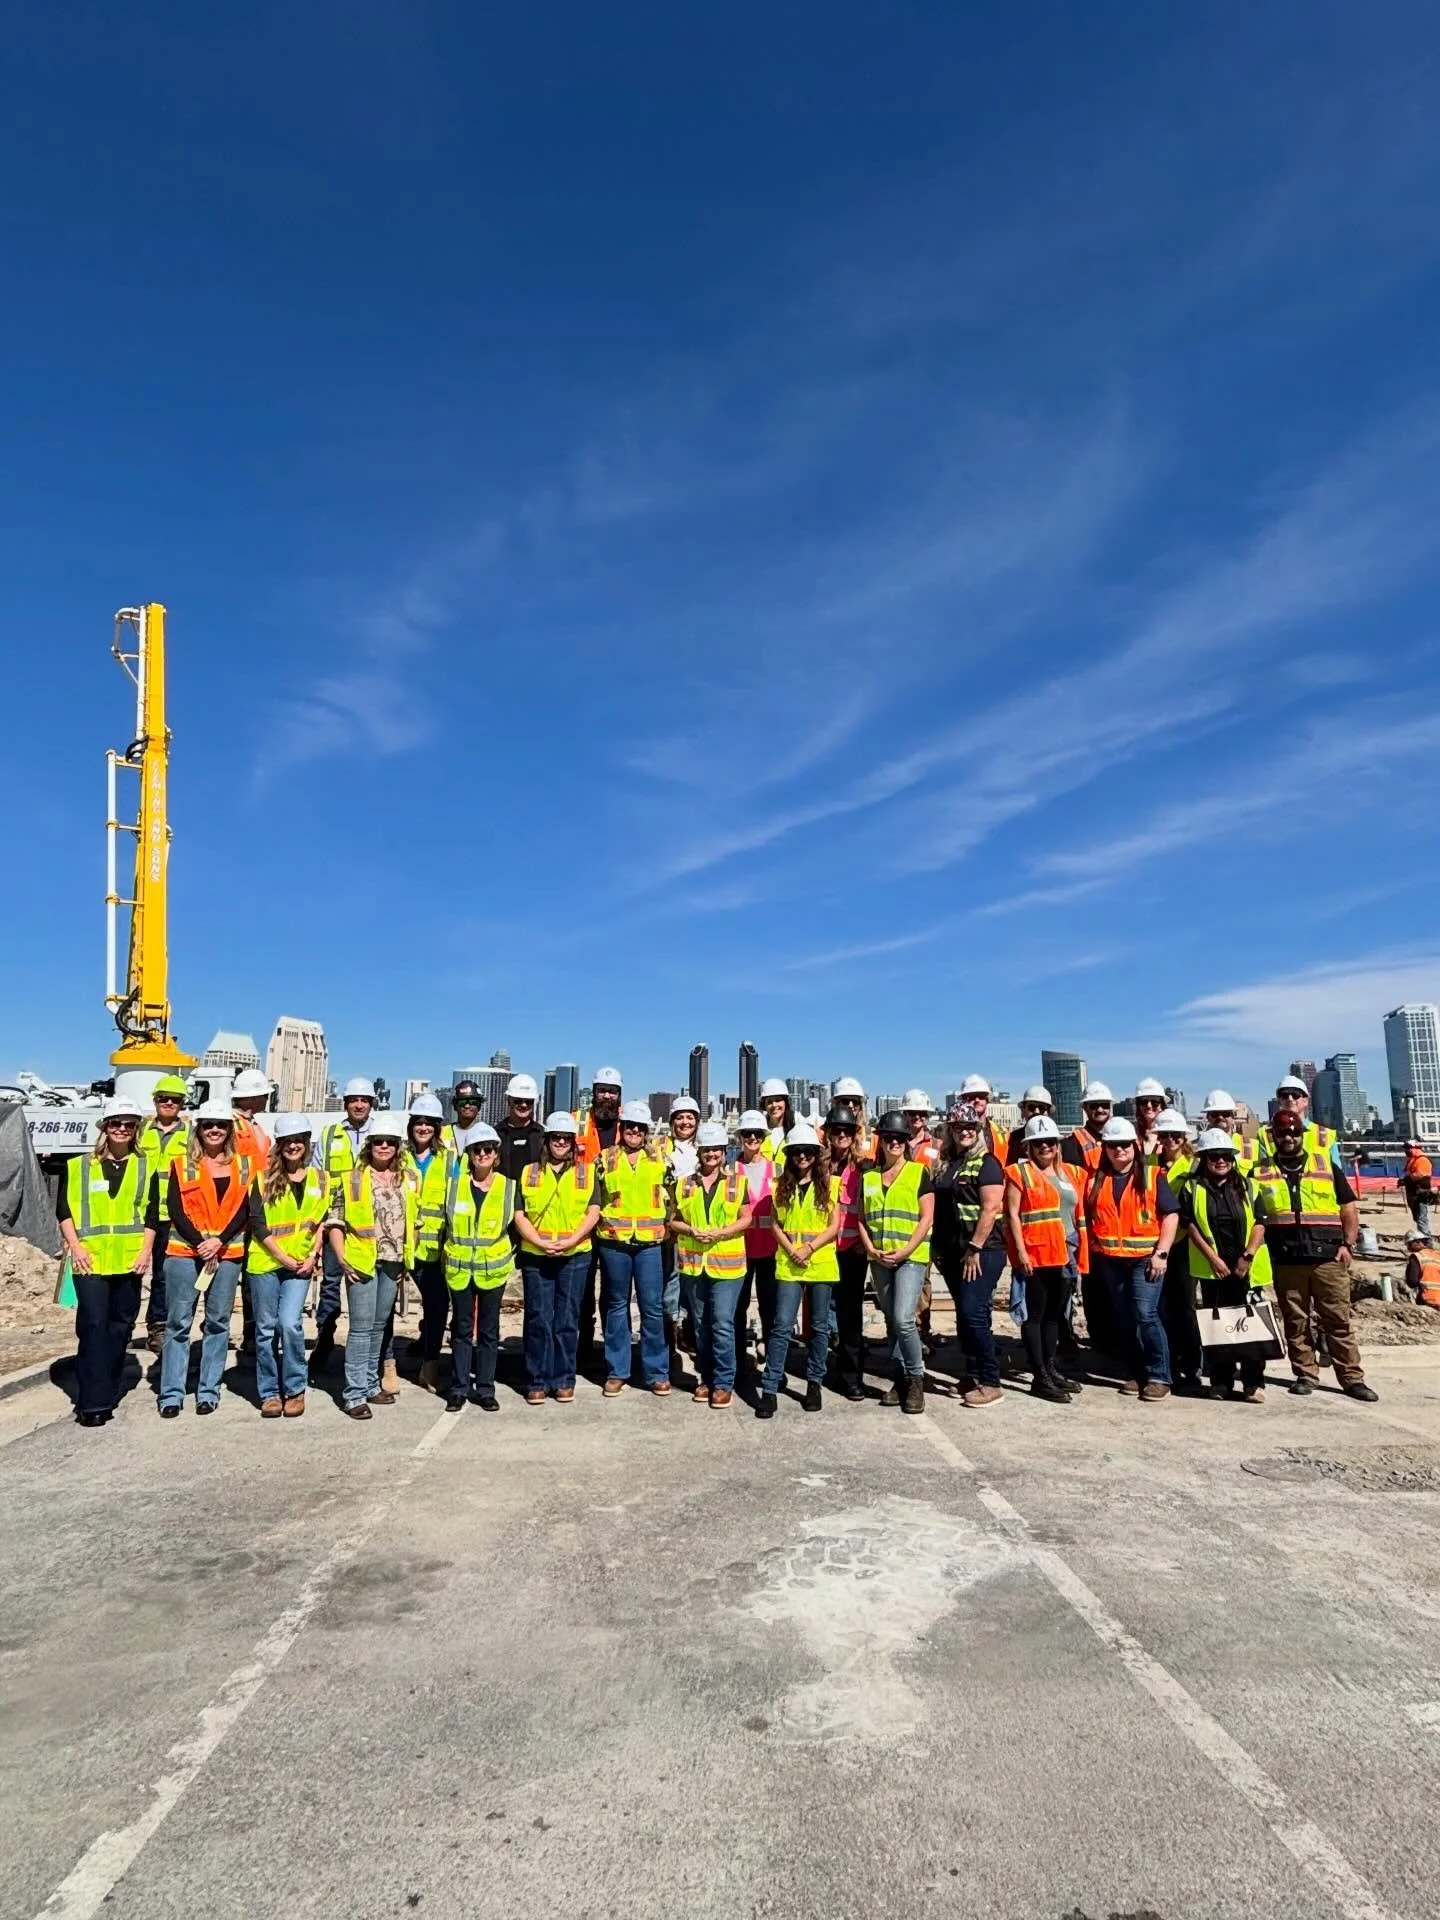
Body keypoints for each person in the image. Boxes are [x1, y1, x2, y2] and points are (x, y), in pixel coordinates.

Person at [1252, 1110, 1375, 1401]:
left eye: (1294, 1133)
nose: (1289, 1138)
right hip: (1287, 1258)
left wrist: (1348, 1243)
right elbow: (1255, 1215)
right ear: (1274, 1137)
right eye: (1283, 1133)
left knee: (1338, 1319)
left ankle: (1352, 1378)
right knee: (1296, 1321)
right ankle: (1306, 1374)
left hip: (1327, 1257)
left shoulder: (1325, 1166)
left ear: (1301, 1135)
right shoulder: (1260, 1171)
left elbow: (1348, 1207)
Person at [57, 1095, 157, 1426]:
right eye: (116, 1123)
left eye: (129, 1124)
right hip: (90, 1261)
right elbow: (65, 1211)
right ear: (105, 1127)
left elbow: (152, 1215)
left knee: (120, 1327)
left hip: (129, 1261)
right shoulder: (78, 1166)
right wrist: (76, 1247)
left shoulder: (145, 1167)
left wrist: (145, 1252)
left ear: (136, 1129)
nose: (122, 1129)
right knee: (94, 1326)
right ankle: (92, 1402)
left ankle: (110, 1383)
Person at [158, 1100, 250, 1418]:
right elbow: (175, 1208)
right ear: (199, 1129)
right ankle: (171, 1393)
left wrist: (219, 1242)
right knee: (178, 1323)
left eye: (220, 1125)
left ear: (229, 1131)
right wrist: (201, 1243)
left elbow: (244, 1210)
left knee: (217, 1323)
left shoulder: (244, 1166)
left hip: (225, 1255)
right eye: (208, 1124)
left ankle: (208, 1391)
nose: (214, 1130)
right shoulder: (182, 1164)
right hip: (186, 1252)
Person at [1085, 1117, 1179, 1400]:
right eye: (1113, 1146)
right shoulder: (1095, 1180)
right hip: (1110, 1260)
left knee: (1146, 1314)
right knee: (1124, 1318)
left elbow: (1171, 1215)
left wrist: (1161, 1253)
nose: (1119, 1151)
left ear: (1134, 1147)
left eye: (1124, 1145)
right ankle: (1136, 1372)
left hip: (1144, 1260)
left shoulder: (1152, 1176)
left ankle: (1159, 1375)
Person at [327, 1112, 412, 1420]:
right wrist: (341, 1257)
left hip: (393, 1261)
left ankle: (370, 1384)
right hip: (361, 1260)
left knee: (379, 1326)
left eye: (391, 1142)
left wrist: (407, 1258)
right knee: (361, 1329)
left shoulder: (406, 1178)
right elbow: (335, 1220)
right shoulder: (352, 1178)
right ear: (370, 1145)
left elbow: (411, 1222)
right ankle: (353, 1395)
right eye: (379, 1142)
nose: (385, 1147)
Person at [514, 1112, 601, 1404]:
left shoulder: (586, 1172)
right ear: (547, 1141)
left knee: (566, 1319)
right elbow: (519, 1214)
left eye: (565, 1138)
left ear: (573, 1142)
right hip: (536, 1255)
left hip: (574, 1255)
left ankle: (564, 1379)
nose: (561, 1143)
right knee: (538, 1318)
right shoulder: (529, 1172)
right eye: (556, 1138)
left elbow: (593, 1212)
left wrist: (572, 1240)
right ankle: (536, 1379)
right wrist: (538, 1241)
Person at [1181, 1129, 1273, 1402]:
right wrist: (1213, 1259)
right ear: (1204, 1159)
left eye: (1225, 1156)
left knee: (1250, 1326)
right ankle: (1221, 1381)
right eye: (1214, 1157)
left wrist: (1248, 1256)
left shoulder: (1248, 1185)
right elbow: (1190, 1226)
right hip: (1214, 1270)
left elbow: (1260, 1222)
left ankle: (1253, 1382)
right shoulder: (1192, 1187)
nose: (1220, 1161)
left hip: (1245, 1269)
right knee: (1218, 1328)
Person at [246, 1118, 328, 1418]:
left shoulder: (321, 1179)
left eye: (299, 1139)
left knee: (290, 1324)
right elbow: (257, 1223)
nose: (294, 1145)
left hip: (301, 1264)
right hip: (266, 1262)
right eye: (288, 1140)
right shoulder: (262, 1178)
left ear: (306, 1142)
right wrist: (281, 1256)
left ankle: (295, 1388)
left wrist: (313, 1256)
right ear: (279, 1145)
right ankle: (269, 1392)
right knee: (266, 1330)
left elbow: (323, 1221)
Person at [756, 1123, 839, 1419]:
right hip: (790, 1264)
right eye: (796, 1152)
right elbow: (774, 1223)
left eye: (807, 1152)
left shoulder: (831, 1183)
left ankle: (814, 1383)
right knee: (781, 1326)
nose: (802, 1157)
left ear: (816, 1155)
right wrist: (792, 1249)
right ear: (789, 1154)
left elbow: (834, 1225)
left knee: (818, 1328)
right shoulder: (779, 1185)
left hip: (820, 1263)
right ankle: (769, 1388)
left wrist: (809, 1248)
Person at [670, 1122, 753, 1407]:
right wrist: (691, 1230)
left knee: (721, 1324)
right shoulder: (684, 1184)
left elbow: (746, 1219)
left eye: (717, 1150)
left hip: (727, 1266)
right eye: (707, 1150)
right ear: (699, 1151)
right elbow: (673, 1220)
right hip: (693, 1264)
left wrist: (721, 1233)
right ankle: (706, 1378)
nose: (712, 1155)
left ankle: (723, 1382)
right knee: (701, 1325)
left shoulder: (736, 1183)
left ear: (723, 1152)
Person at [1004, 1116, 1085, 1403]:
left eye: (1049, 1142)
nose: (1045, 1147)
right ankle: (1039, 1375)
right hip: (1036, 1254)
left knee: (1054, 1316)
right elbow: (1012, 1213)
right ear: (1029, 1147)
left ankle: (1050, 1368)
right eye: (1038, 1143)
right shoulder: (1018, 1172)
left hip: (1064, 1253)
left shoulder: (1069, 1174)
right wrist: (1021, 1253)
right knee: (1035, 1316)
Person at [859, 1111, 935, 1414]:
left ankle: (916, 1378)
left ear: (906, 1142)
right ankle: (900, 1378)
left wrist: (905, 1251)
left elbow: (926, 1217)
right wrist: (871, 1249)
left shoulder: (919, 1173)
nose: (894, 1142)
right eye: (888, 1137)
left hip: (910, 1258)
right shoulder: (869, 1178)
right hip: (879, 1258)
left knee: (904, 1319)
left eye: (899, 1138)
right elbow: (862, 1219)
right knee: (892, 1321)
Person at [594, 1100, 671, 1397]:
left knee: (652, 1309)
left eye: (640, 1128)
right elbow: (595, 1197)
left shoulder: (661, 1158)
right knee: (616, 1306)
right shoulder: (605, 1159)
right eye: (630, 1127)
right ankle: (617, 1370)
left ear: (647, 1131)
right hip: (615, 1242)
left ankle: (656, 1372)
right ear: (622, 1128)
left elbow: (673, 1195)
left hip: (650, 1243)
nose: (635, 1132)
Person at [931, 1102, 1005, 1408]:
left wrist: (975, 1247)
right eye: (959, 1127)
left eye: (971, 1128)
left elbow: (991, 1208)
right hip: (952, 1251)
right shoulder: (947, 1163)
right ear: (951, 1130)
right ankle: (973, 1373)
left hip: (982, 1251)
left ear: (979, 1130)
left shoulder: (987, 1163)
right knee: (965, 1315)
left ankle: (990, 1380)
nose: (965, 1132)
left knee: (974, 1313)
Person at [441, 1126, 516, 1414]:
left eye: (489, 1149)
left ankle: (485, 1389)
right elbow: (443, 1227)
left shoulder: (508, 1187)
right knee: (460, 1329)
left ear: (496, 1153)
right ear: (469, 1155)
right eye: (477, 1150)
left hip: (492, 1271)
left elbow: (516, 1226)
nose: (483, 1154)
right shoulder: (454, 1186)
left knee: (488, 1331)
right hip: (460, 1270)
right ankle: (458, 1388)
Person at [311, 1076, 377, 1376]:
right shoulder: (329, 1135)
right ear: (346, 1103)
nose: (359, 1105)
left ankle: (367, 1348)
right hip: (335, 1220)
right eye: (354, 1100)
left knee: (367, 1285)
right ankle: (325, 1338)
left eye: (364, 1100)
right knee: (330, 1284)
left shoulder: (381, 1133)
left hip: (367, 1223)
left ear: (371, 1104)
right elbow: (317, 1177)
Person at [138, 1073, 189, 1352]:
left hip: (173, 1215)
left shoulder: (190, 1134)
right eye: (163, 1098)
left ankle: (159, 1327)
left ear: (183, 1103)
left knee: (164, 1274)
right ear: (155, 1101)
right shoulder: (140, 1130)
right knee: (134, 1272)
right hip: (140, 1211)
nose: (169, 1103)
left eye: (175, 1100)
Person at [576, 1066, 623, 1362]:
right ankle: (582, 1347)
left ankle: (610, 1352)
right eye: (601, 1090)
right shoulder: (576, 1122)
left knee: (613, 1291)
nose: (606, 1096)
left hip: (613, 1220)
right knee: (580, 1290)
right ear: (593, 1093)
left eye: (612, 1091)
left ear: (619, 1095)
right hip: (579, 1217)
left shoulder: (630, 1125)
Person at [405, 1094, 452, 1393]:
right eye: (418, 1122)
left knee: (437, 1305)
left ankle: (430, 1363)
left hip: (434, 1248)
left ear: (437, 1127)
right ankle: (386, 1365)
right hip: (400, 1244)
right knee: (384, 1309)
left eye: (429, 1123)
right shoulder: (398, 1156)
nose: (423, 1128)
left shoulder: (449, 1160)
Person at [1155, 1109, 1203, 1395]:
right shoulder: (1150, 1164)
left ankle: (1191, 1364)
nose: (1170, 1140)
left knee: (1185, 1307)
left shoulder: (1194, 1166)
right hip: (1157, 1244)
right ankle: (1166, 1362)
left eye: (1175, 1135)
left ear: (1184, 1137)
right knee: (1158, 1309)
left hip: (1183, 1244)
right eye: (1165, 1135)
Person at [822, 1104, 868, 1401]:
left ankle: (852, 1375)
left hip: (852, 1250)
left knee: (851, 1315)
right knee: (820, 1314)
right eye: (836, 1130)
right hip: (823, 1249)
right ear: (827, 1133)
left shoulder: (865, 1168)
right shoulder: (817, 1165)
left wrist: (865, 1241)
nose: (841, 1135)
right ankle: (819, 1369)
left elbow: (870, 1207)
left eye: (847, 1131)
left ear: (854, 1135)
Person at [230, 1068, 274, 1359]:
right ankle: (250, 1334)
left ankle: (253, 1333)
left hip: (256, 1207)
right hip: (237, 1209)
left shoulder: (254, 1126)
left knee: (252, 1276)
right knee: (244, 1276)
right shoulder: (233, 1125)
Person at [735, 1110, 777, 1376]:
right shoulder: (731, 1169)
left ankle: (772, 1360)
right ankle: (739, 1359)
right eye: (747, 1134)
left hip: (771, 1249)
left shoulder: (777, 1169)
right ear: (740, 1137)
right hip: (740, 1249)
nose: (752, 1138)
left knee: (770, 1307)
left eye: (757, 1134)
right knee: (738, 1307)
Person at [662, 1094, 702, 1358]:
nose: (685, 1123)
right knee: (671, 1280)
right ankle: (670, 1330)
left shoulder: (705, 1148)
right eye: (680, 1117)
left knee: (693, 1280)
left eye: (690, 1117)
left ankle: (688, 1330)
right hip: (669, 1224)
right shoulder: (660, 1149)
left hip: (696, 1225)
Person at [1256, 1075, 1340, 1164]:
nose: (1290, 1099)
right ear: (1279, 1100)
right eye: (1284, 1095)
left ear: (1305, 1100)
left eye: (1295, 1095)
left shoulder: (1325, 1135)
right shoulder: (1265, 1134)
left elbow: (1337, 1172)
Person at [496, 1075, 546, 1180]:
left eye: (528, 1101)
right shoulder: (495, 1135)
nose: (523, 1105)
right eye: (518, 1100)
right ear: (509, 1100)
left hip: (532, 1194)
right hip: (503, 1194)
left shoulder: (542, 1135)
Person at [1064, 1082, 1113, 1175]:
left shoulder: (1121, 1139)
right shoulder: (1071, 1143)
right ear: (1084, 1108)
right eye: (1094, 1105)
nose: (1100, 1109)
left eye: (1104, 1105)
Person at [1200, 1090, 1254, 1172]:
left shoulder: (1253, 1146)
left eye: (1225, 1113)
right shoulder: (1200, 1147)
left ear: (1233, 1117)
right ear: (1208, 1117)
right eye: (1215, 1114)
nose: (1220, 1117)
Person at [956, 1075, 1006, 1159]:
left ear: (987, 1099)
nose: (976, 1100)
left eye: (981, 1095)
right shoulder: (955, 1131)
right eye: (971, 1096)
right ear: (963, 1100)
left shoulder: (1003, 1132)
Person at [1006, 1086, 1054, 1165]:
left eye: (1042, 1108)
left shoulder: (1058, 1142)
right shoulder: (1011, 1140)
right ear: (1023, 1110)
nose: (1037, 1111)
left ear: (1049, 1112)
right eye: (1032, 1107)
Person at [831, 1076, 872, 1157]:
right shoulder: (822, 1134)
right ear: (835, 1104)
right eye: (845, 1101)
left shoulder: (871, 1135)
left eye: (855, 1101)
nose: (851, 1105)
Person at [1400, 1142, 1433, 1238]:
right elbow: (1409, 1174)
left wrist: (1406, 1179)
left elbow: (1419, 1175)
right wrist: (1403, 1180)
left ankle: (1427, 1242)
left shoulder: (1422, 1160)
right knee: (1418, 1219)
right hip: (1413, 1194)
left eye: (1408, 1148)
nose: (1406, 1151)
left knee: (1421, 1219)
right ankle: (1423, 1239)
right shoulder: (1412, 1160)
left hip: (1420, 1194)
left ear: (1415, 1148)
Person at [1132, 1078, 1169, 1162]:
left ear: (1162, 1105)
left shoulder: (1173, 1132)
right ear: (1138, 1106)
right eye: (1144, 1102)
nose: (1149, 1106)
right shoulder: (1131, 1131)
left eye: (1154, 1102)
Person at [758, 1078, 795, 1160]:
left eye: (778, 1100)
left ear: (786, 1103)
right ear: (765, 1105)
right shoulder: (759, 1133)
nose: (774, 1105)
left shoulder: (795, 1131)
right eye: (769, 1102)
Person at [900, 1089, 939, 1166]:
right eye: (912, 1113)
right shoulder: (896, 1142)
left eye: (922, 1113)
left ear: (927, 1116)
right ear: (904, 1115)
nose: (917, 1117)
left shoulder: (937, 1144)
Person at [1404, 1228, 1440, 1306]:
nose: (1408, 1248)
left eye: (1409, 1244)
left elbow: (1412, 1281)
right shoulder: (1437, 1255)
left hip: (1430, 1298)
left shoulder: (1417, 1256)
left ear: (1417, 1242)